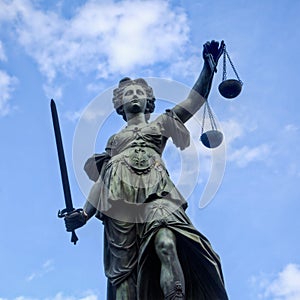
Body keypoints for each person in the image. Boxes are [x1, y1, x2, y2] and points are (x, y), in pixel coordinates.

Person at [65, 40, 229, 300]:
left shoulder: (162, 124)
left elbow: (192, 101)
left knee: (167, 241)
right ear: (119, 104)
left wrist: (208, 69)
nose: (133, 96)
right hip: (118, 197)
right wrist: (84, 214)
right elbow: (103, 181)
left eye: (139, 92)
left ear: (148, 100)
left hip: (157, 191)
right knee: (124, 274)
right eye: (128, 93)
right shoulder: (114, 142)